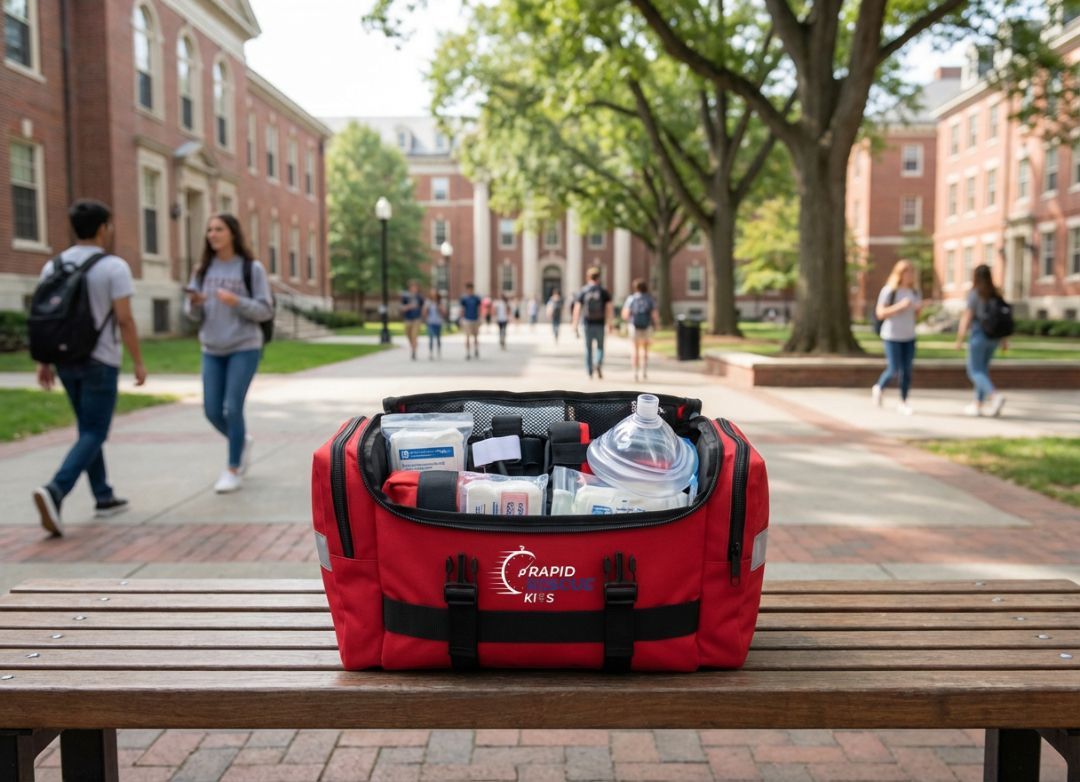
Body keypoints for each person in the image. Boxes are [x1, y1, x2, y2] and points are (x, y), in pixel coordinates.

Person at [32, 199, 147, 537]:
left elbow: (45, 319)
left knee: (87, 428)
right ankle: (56, 490)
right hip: (101, 360)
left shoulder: (52, 266)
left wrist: (44, 361)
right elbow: (124, 319)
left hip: (65, 359)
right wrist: (138, 361)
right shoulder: (113, 267)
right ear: (102, 229)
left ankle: (103, 496)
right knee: (96, 431)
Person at [184, 213, 274, 494]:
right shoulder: (202, 270)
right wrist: (196, 304)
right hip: (211, 348)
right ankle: (241, 441)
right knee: (212, 411)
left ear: (232, 233)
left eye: (218, 229)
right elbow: (189, 314)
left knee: (233, 408)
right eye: (209, 229)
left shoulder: (251, 268)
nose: (212, 234)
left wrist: (237, 302)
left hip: (244, 346)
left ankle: (233, 468)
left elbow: (265, 309)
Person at [871, 259, 923, 416]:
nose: (910, 276)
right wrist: (900, 306)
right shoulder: (889, 291)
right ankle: (879, 387)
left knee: (907, 370)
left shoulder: (915, 292)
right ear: (899, 274)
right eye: (906, 273)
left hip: (909, 335)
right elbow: (880, 313)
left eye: (911, 273)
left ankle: (903, 400)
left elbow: (916, 316)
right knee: (894, 368)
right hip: (892, 335)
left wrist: (918, 309)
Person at [955, 264, 1008, 417]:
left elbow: (967, 316)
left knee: (974, 371)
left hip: (979, 335)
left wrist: (960, 338)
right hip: (994, 338)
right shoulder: (996, 293)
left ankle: (994, 396)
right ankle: (977, 404)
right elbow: (1001, 318)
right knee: (982, 371)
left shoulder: (975, 293)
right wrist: (1003, 340)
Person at [571, 267, 614, 379]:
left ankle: (590, 371)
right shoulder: (603, 291)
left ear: (588, 277)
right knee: (600, 347)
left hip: (587, 323)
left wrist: (575, 324)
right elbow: (609, 308)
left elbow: (577, 308)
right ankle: (598, 363)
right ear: (599, 277)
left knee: (588, 348)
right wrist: (610, 323)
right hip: (600, 323)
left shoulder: (584, 290)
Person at [621, 278, 660, 382]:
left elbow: (625, 315)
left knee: (635, 350)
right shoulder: (650, 299)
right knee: (645, 349)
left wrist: (628, 320)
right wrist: (657, 324)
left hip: (634, 326)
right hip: (646, 326)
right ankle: (644, 371)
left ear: (635, 288)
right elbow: (654, 314)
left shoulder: (631, 298)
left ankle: (635, 373)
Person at [401, 281, 424, 360]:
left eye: (415, 287)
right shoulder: (405, 296)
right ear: (409, 288)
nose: (414, 288)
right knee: (407, 334)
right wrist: (409, 306)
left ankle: (414, 351)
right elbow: (402, 307)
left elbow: (423, 307)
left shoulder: (420, 297)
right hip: (408, 318)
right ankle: (413, 345)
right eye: (412, 287)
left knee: (414, 335)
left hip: (417, 319)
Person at [460, 282, 482, 360]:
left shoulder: (476, 298)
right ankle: (468, 352)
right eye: (468, 289)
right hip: (467, 319)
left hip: (475, 319)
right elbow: (462, 309)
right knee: (467, 337)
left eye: (471, 289)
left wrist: (480, 317)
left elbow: (479, 308)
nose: (470, 291)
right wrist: (461, 318)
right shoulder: (464, 299)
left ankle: (476, 350)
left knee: (476, 337)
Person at [423, 289, 444, 359]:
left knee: (438, 338)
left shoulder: (439, 302)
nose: (433, 294)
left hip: (438, 322)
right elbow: (424, 311)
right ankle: (431, 353)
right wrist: (425, 319)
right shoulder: (428, 302)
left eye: (434, 292)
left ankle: (438, 351)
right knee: (431, 337)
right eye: (432, 292)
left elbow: (444, 312)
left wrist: (440, 308)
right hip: (430, 322)